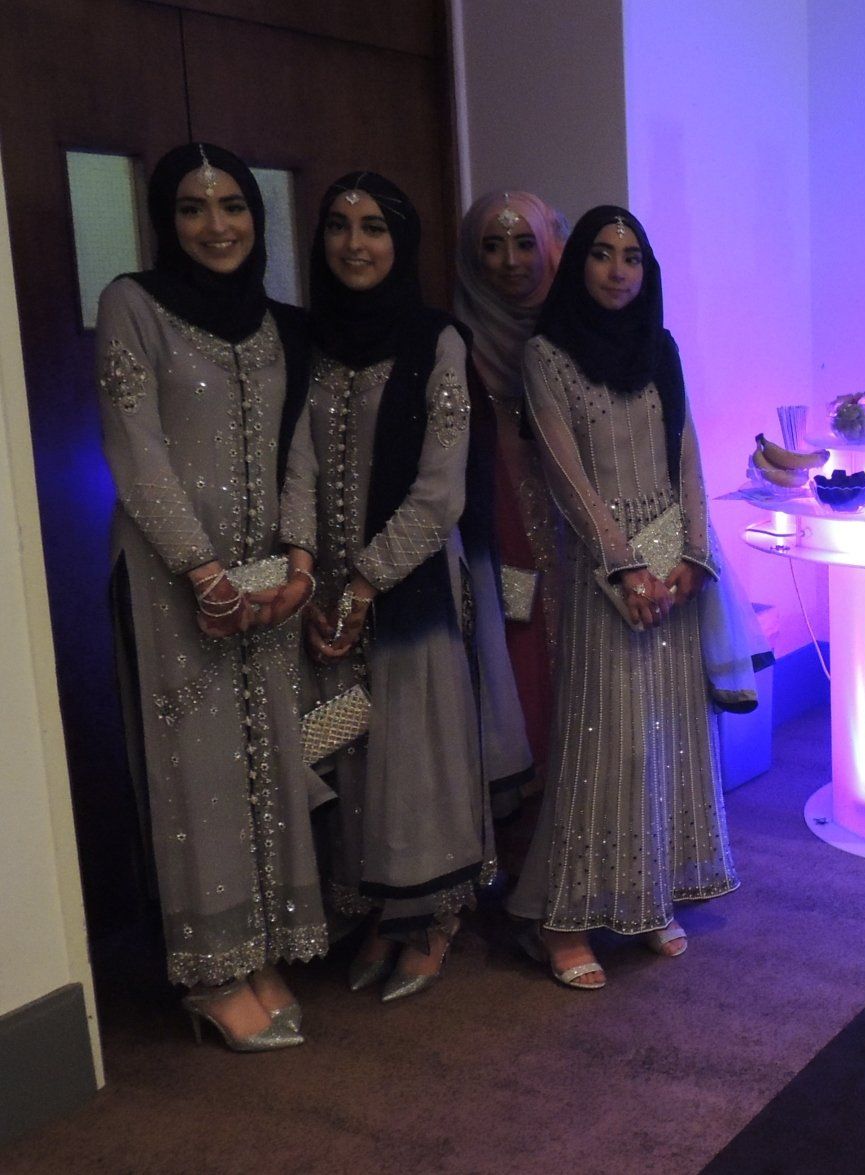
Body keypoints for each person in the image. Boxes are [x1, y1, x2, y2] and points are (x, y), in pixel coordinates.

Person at [95, 142, 323, 1050]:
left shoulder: (281, 325)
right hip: (170, 579)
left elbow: (295, 449)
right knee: (198, 767)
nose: (216, 225)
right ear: (167, 220)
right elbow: (134, 443)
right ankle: (213, 970)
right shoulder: (132, 305)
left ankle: (263, 944)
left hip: (268, 580)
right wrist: (201, 569)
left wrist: (300, 561)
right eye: (193, 208)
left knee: (266, 755)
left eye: (232, 204)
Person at [505, 206, 755, 988]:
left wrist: (692, 556)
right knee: (603, 737)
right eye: (604, 255)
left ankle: (647, 897)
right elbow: (563, 472)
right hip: (598, 570)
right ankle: (562, 919)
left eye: (633, 258)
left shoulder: (661, 347)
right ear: (578, 262)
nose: (619, 271)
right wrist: (621, 567)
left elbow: (687, 453)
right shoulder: (546, 355)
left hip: (670, 567)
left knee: (667, 734)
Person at [289, 172, 495, 1002]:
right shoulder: (311, 342)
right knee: (351, 748)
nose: (354, 244)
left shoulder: (436, 340)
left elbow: (443, 489)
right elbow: (295, 462)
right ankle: (380, 907)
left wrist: (367, 581)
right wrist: (306, 569)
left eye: (374, 227)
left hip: (406, 589)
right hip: (323, 593)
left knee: (418, 749)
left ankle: (433, 915)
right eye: (338, 226)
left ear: (400, 243)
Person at [454, 191, 569, 810]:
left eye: (525, 243)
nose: (509, 261)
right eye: (490, 247)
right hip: (497, 517)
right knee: (515, 646)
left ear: (551, 247)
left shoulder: (580, 328)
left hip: (578, 520)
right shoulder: (456, 339)